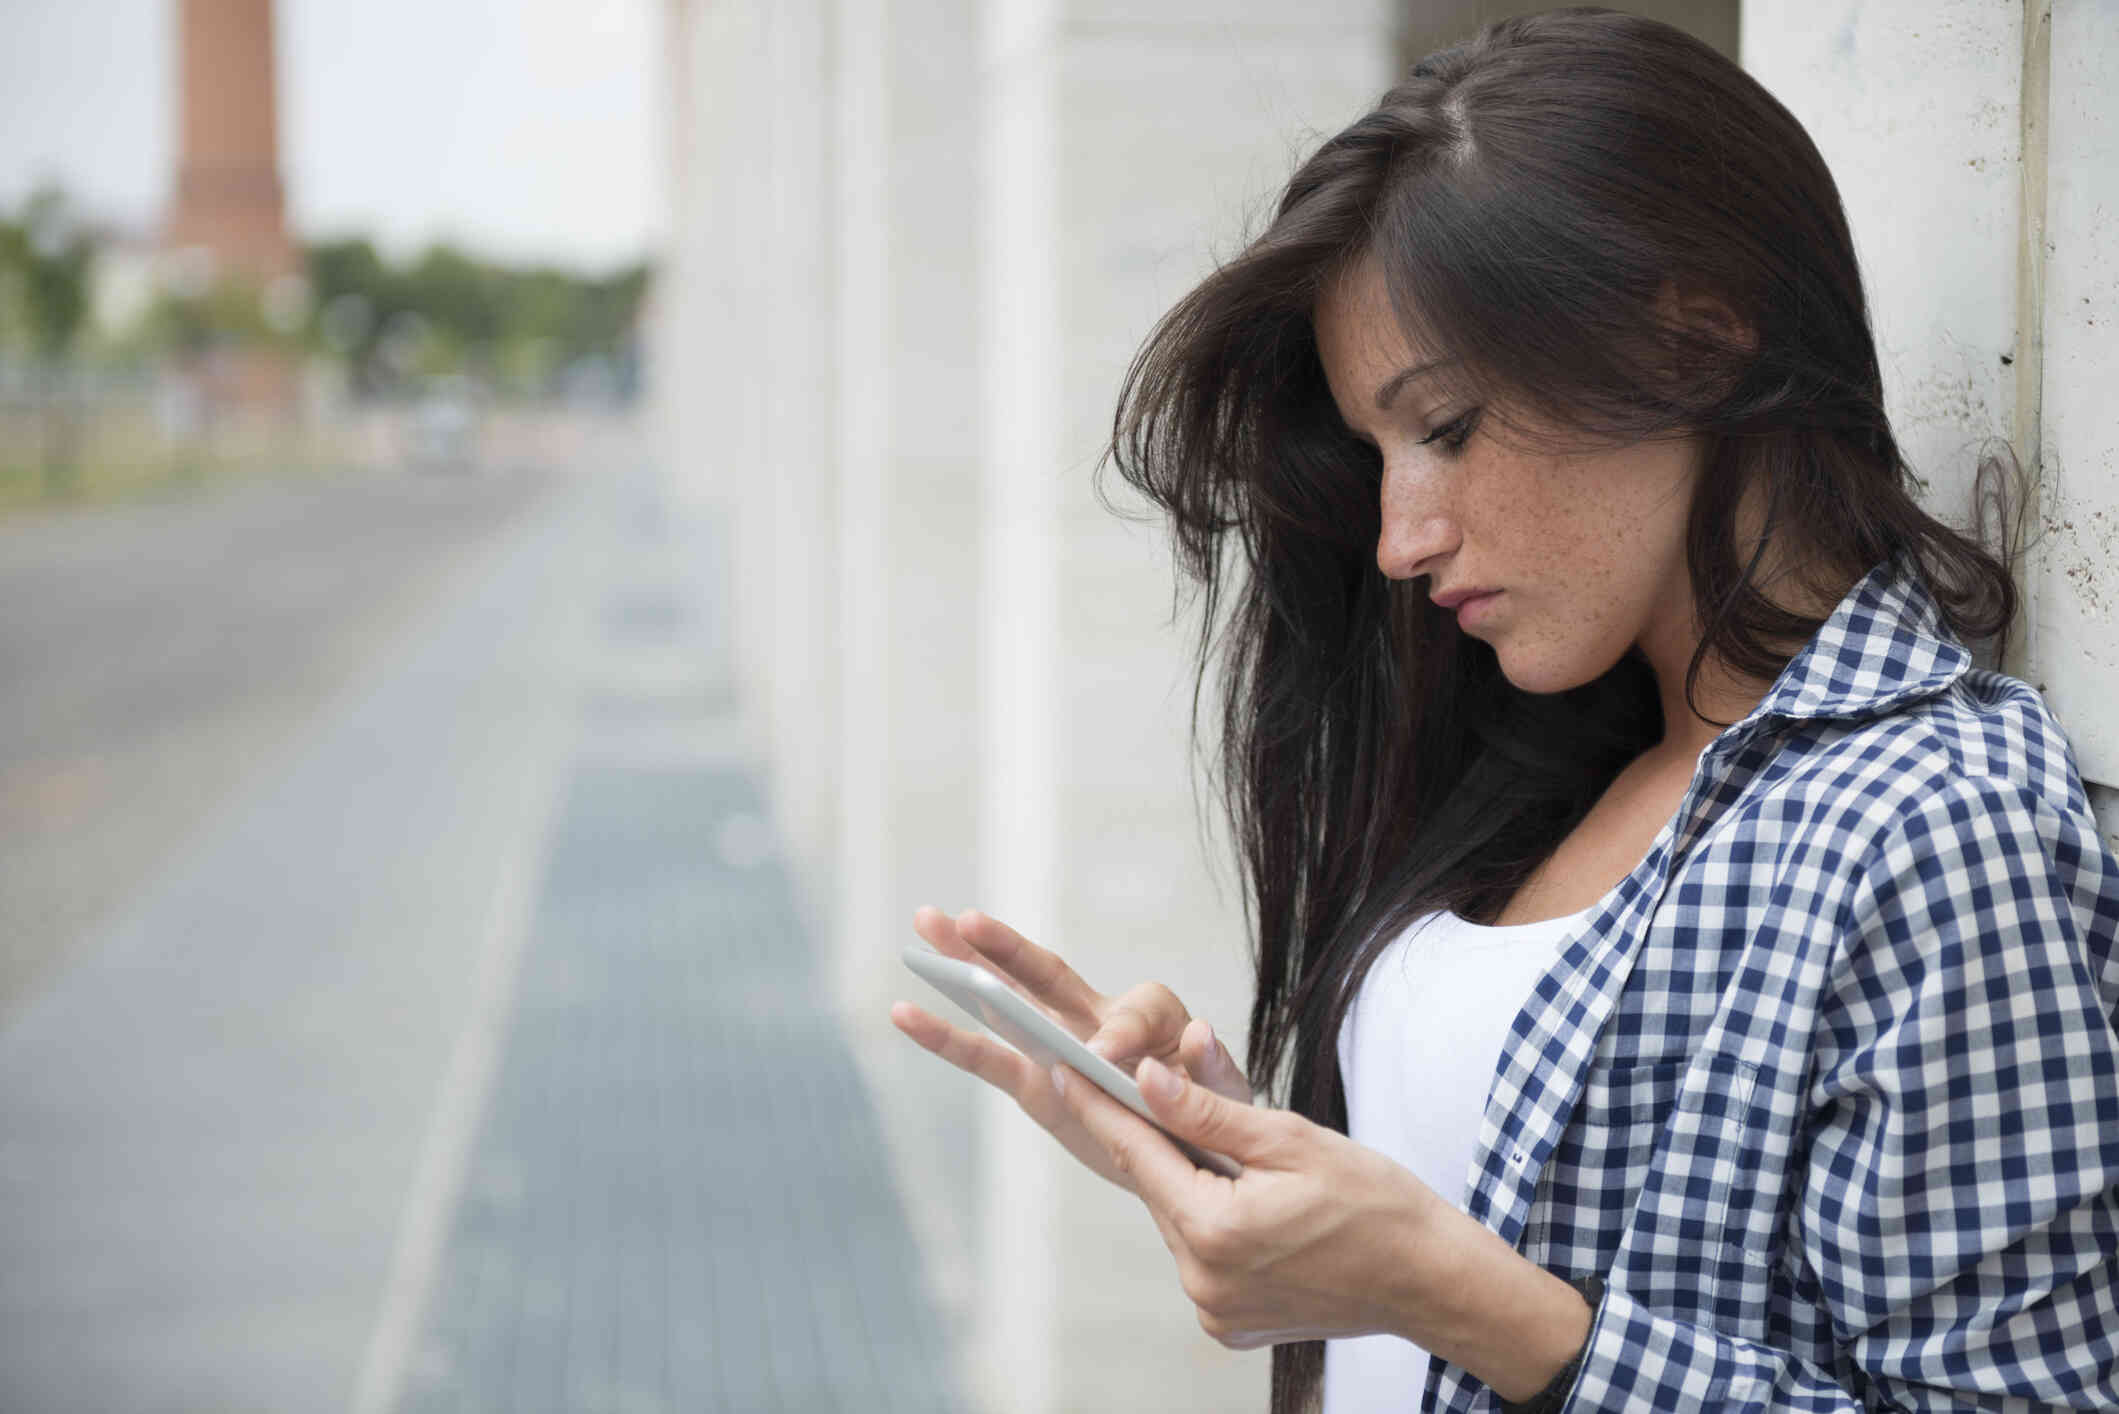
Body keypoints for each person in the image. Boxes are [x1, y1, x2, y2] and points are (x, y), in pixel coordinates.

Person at [890, 9, 2119, 1412]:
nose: (1399, 539)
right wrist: (1244, 1158)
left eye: (1449, 428)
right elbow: (1487, 1209)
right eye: (1379, 452)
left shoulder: (1929, 820)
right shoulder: (1573, 760)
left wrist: (1460, 1296)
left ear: (1699, 343)